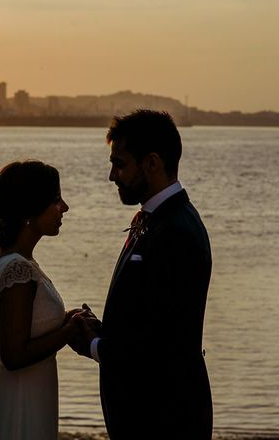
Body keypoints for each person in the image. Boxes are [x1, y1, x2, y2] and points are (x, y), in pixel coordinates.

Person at [71, 110, 213, 439]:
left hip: (164, 418)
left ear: (151, 162)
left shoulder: (176, 230)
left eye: (119, 164)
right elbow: (150, 320)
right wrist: (103, 332)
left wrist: (91, 344)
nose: (111, 176)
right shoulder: (161, 219)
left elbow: (160, 347)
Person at [0, 160, 94, 440]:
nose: (65, 207)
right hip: (19, 400)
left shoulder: (12, 259)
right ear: (31, 209)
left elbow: (26, 325)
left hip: (27, 391)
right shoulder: (17, 269)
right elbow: (13, 355)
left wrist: (65, 320)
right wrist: (67, 332)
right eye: (56, 200)